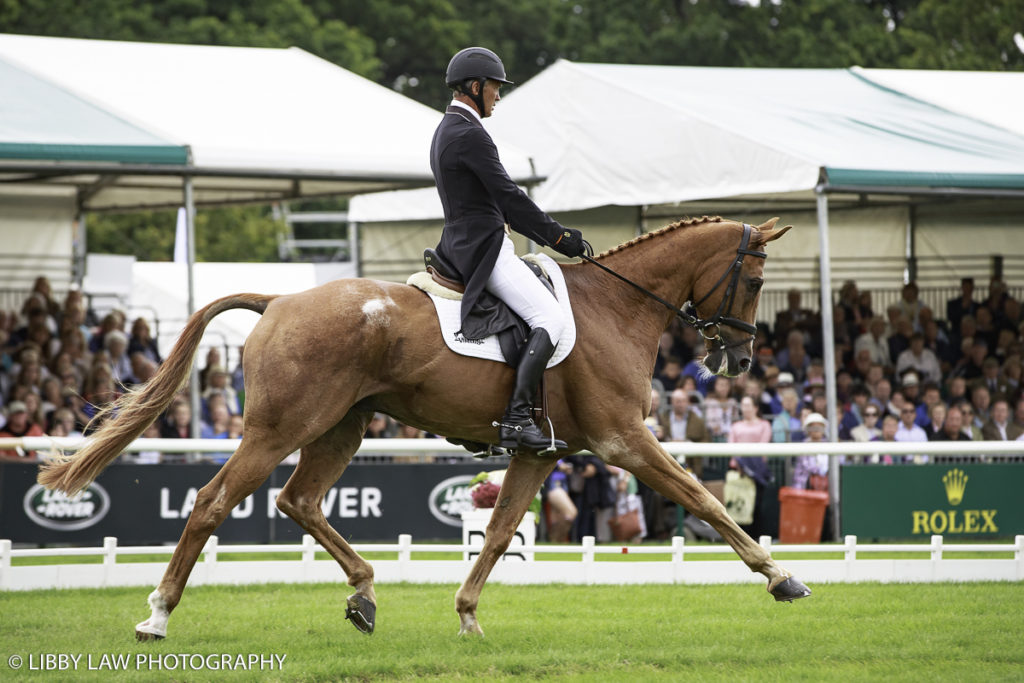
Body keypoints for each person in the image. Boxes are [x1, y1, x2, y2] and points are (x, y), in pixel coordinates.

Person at [431, 46, 586, 452]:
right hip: (483, 247)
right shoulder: (469, 134)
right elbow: (509, 197)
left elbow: (498, 200)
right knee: (551, 319)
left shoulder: (447, 128)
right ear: (476, 86)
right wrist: (557, 237)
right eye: (495, 88)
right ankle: (517, 419)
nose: (498, 96)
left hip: (461, 240)